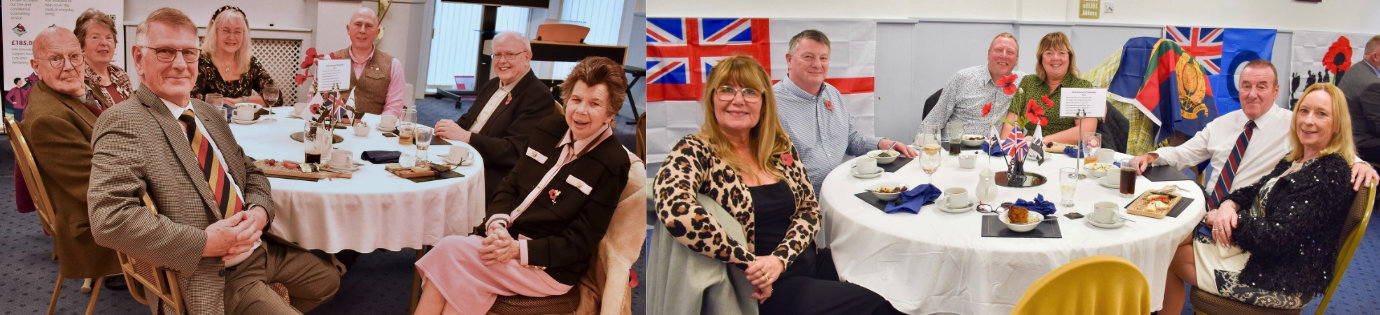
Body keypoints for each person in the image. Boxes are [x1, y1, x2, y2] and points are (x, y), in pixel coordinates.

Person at [86, 8, 342, 314]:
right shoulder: (124, 121)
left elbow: (250, 170)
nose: (180, 64)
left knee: (329, 281)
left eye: (189, 53)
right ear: (139, 58)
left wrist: (260, 211)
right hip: (211, 271)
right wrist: (204, 243)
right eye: (166, 52)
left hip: (258, 249)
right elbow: (109, 219)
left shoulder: (205, 112)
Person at [655, 55, 903, 314]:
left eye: (750, 92)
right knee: (875, 306)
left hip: (802, 261)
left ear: (763, 103)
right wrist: (752, 263)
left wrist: (780, 259)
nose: (737, 100)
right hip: (764, 286)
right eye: (727, 89)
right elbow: (677, 211)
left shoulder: (778, 147)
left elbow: (808, 208)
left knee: (888, 278)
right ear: (712, 98)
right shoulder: (694, 150)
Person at [413, 56, 631, 315]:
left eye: (594, 103)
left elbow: (580, 241)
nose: (581, 111)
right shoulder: (549, 129)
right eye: (576, 99)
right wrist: (497, 226)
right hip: (505, 240)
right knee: (454, 277)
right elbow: (510, 185)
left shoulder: (613, 161)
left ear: (611, 111)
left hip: (548, 267)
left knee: (449, 252)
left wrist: (517, 250)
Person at [1161, 83, 1370, 314]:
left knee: (1169, 254)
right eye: (1304, 111)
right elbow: (1254, 189)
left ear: (1338, 124)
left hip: (1282, 279)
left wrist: (1224, 220)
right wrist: (1229, 205)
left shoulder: (1329, 171)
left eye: (1321, 114)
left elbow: (1278, 236)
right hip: (1264, 256)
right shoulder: (1296, 159)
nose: (1308, 120)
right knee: (1172, 240)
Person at [1129, 61, 1377, 210]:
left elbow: (1331, 146)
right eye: (1246, 86)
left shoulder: (1295, 124)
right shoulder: (1223, 123)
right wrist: (1152, 155)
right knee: (1144, 212)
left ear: (1275, 90)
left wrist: (1361, 164)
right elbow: (1184, 153)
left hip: (1245, 211)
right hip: (1205, 204)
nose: (1252, 93)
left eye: (1261, 86)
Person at [19, 26, 122, 293]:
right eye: (56, 59)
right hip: (94, 228)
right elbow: (102, 189)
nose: (68, 66)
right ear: (35, 66)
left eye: (74, 57)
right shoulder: (48, 119)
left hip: (103, 197)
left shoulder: (68, 92)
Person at [774, 29, 917, 191]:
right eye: (808, 57)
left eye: (823, 58)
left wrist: (882, 143)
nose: (817, 64)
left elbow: (851, 139)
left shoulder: (832, 94)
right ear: (789, 60)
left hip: (843, 186)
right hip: (799, 199)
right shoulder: (770, 104)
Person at [434, 32, 555, 198]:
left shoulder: (538, 96)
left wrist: (465, 136)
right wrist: (448, 129)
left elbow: (514, 151)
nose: (502, 61)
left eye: (510, 54)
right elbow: (469, 120)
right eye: (497, 54)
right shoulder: (492, 85)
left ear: (527, 57)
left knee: (432, 191)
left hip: (492, 172)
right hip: (465, 156)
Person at [918, 33, 1026, 135]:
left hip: (994, 153)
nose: (1003, 55)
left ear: (1016, 60)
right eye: (998, 50)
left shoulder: (1023, 83)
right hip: (956, 149)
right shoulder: (963, 78)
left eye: (1010, 52)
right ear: (988, 54)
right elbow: (932, 122)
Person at [1001, 31, 1095, 144]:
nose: (1055, 58)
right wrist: (1005, 148)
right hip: (1029, 153)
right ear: (1041, 59)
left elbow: (1086, 131)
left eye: (1061, 53)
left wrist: (1042, 141)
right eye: (1049, 53)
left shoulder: (1082, 88)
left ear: (1069, 58)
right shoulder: (1028, 82)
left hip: (1065, 154)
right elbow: (1011, 121)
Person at [191, 5, 275, 107]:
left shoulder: (250, 62)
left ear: (244, 34)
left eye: (237, 31)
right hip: (209, 122)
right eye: (226, 30)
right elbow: (191, 99)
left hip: (245, 122)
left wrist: (241, 100)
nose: (231, 37)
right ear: (215, 32)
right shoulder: (200, 61)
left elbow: (274, 96)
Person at [332, 7, 404, 117]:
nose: (362, 30)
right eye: (358, 24)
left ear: (377, 32)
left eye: (369, 26)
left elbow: (394, 108)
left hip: (374, 130)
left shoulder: (393, 65)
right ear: (348, 29)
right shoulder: (331, 61)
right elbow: (317, 100)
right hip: (336, 129)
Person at [75, 8, 132, 111]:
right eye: (95, 37)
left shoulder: (120, 75)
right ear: (81, 44)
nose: (104, 43)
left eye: (109, 38)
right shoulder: (77, 79)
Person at [1339, 36, 1380, 162]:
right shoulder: (1371, 84)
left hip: (1352, 138)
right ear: (1376, 56)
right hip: (1364, 144)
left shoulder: (1358, 69)